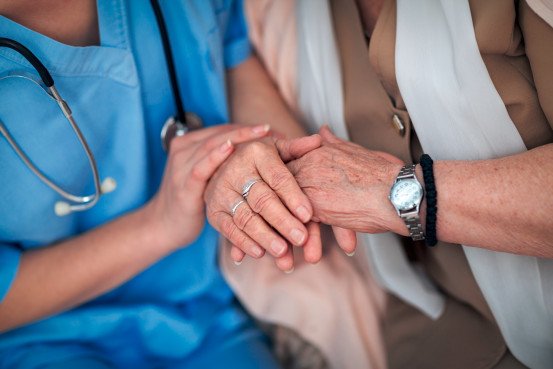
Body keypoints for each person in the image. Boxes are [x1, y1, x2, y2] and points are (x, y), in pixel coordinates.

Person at [211, 0, 553, 368]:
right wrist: (252, 172)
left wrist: (390, 192)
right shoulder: (282, 16)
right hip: (432, 328)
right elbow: (295, 183)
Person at [0, 1, 318, 367]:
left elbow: (233, 59)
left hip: (203, 317)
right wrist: (158, 226)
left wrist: (280, 174)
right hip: (39, 336)